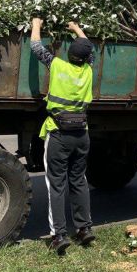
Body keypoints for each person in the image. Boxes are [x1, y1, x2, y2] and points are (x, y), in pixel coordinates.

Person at [31, 17, 96, 255]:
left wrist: (36, 24)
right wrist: (77, 28)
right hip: (82, 135)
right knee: (78, 180)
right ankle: (84, 228)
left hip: (59, 133)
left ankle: (59, 234)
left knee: (56, 184)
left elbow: (36, 47)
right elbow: (89, 49)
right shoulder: (88, 71)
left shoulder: (57, 65)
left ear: (70, 54)